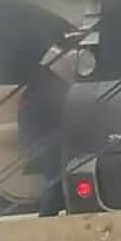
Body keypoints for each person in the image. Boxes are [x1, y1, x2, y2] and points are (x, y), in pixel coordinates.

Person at [18, 33, 79, 216]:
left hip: (43, 123)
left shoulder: (49, 68)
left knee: (61, 175)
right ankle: (46, 221)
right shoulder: (63, 65)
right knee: (57, 175)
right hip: (41, 126)